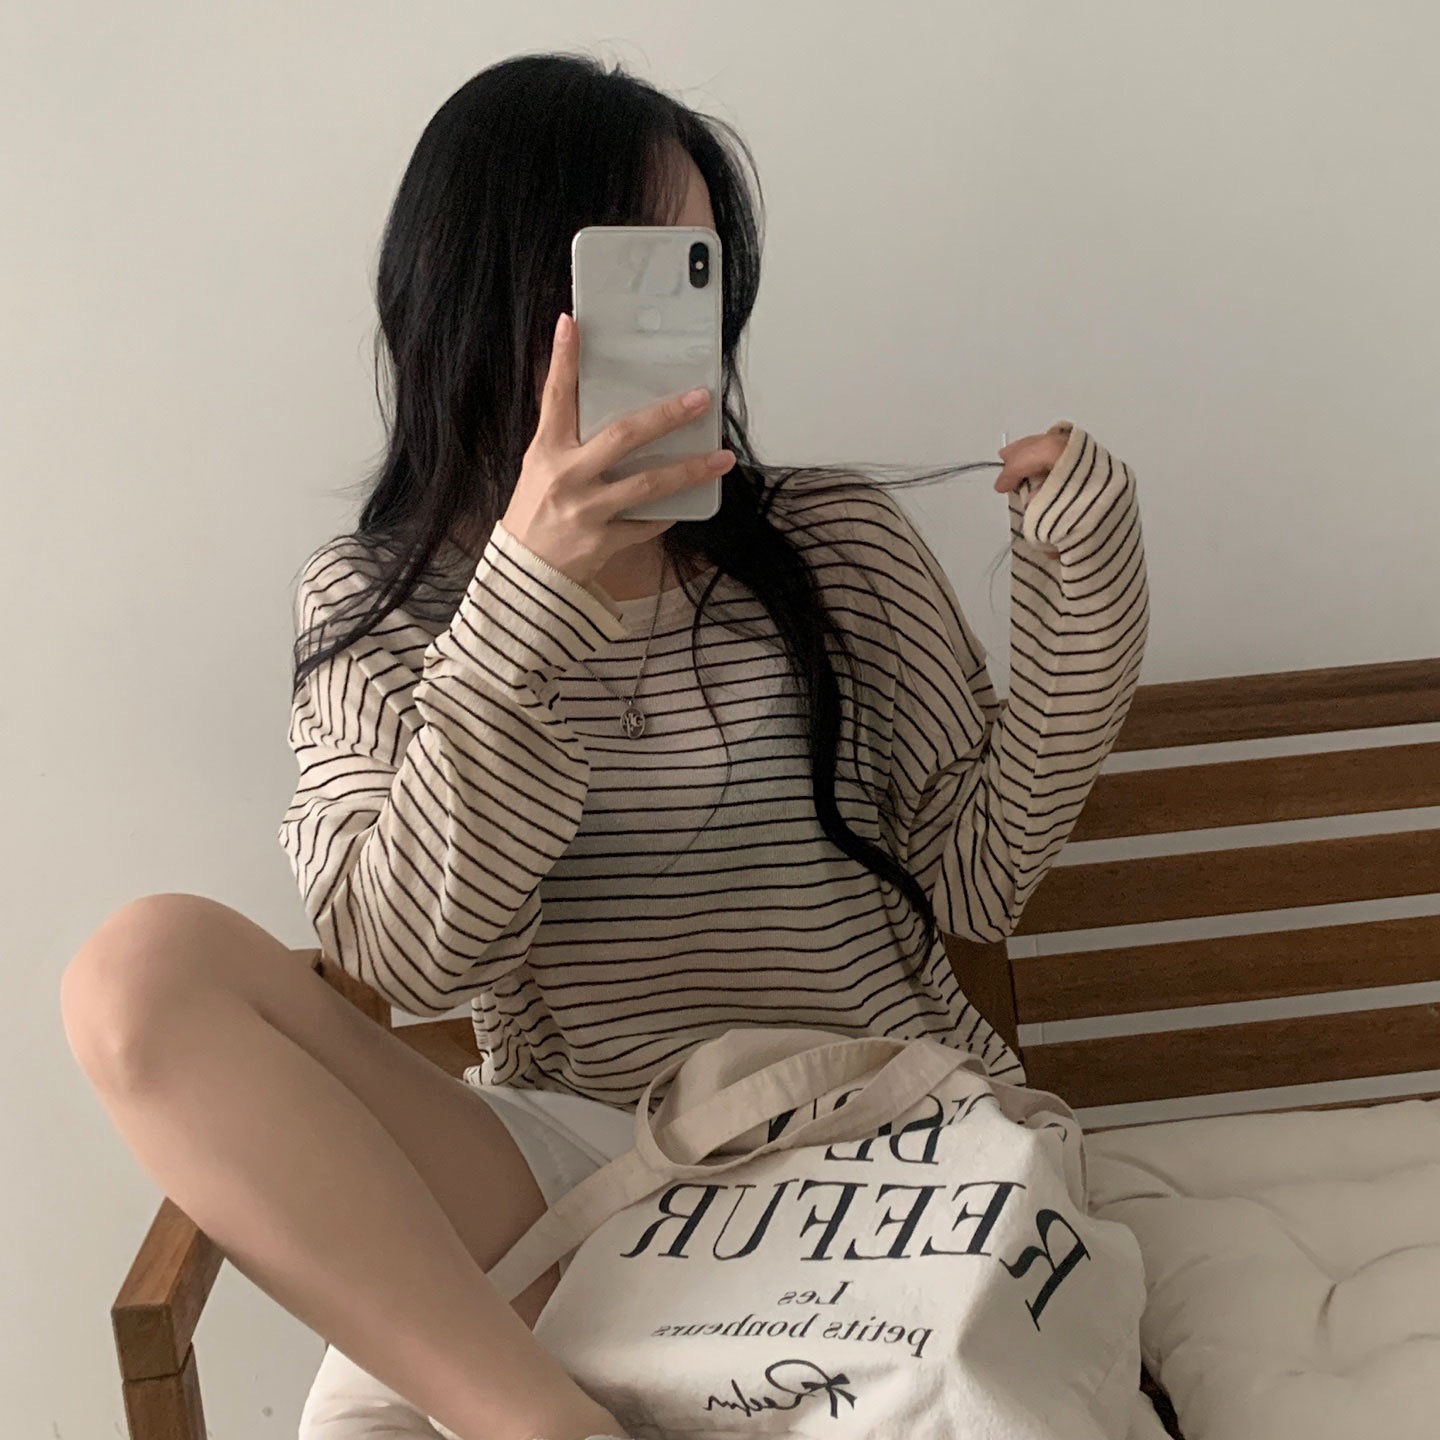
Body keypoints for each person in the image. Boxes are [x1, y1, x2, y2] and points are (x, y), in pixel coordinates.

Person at [59, 50, 1149, 1440]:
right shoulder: (383, 606)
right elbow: (411, 959)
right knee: (140, 970)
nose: (676, 325)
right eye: (630, 272)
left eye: (695, 273)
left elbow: (977, 883)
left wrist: (1082, 598)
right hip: (584, 1157)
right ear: (492, 293)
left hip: (872, 1136)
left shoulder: (837, 546)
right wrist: (529, 602)